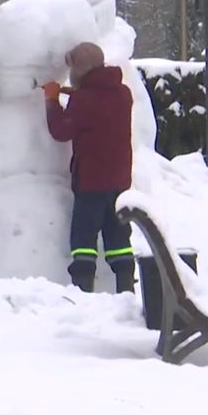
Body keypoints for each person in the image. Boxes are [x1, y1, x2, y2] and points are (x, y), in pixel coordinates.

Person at [42, 42, 135, 294]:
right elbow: (99, 105)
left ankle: (83, 292)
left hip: (91, 181)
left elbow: (61, 130)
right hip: (119, 181)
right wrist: (76, 94)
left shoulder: (84, 99)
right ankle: (126, 288)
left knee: (84, 241)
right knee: (119, 238)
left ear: (81, 69)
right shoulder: (123, 94)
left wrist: (52, 101)